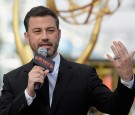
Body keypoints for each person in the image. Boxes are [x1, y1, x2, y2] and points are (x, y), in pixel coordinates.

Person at [0, 5, 135, 115]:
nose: (45, 36)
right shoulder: (12, 79)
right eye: (37, 31)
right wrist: (28, 93)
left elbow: (116, 109)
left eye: (50, 30)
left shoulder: (84, 75)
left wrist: (127, 79)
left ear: (59, 34)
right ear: (27, 37)